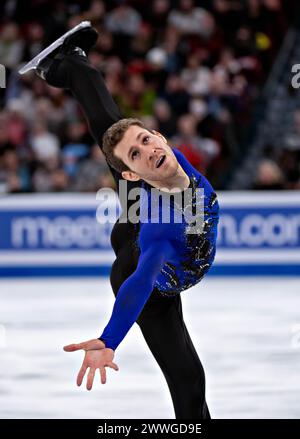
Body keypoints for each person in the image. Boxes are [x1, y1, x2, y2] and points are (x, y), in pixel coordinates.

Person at [19, 22, 219, 419]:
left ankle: (71, 67)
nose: (147, 151)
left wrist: (134, 149)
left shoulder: (168, 158)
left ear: (161, 136)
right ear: (132, 174)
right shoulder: (163, 229)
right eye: (137, 156)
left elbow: (132, 141)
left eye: (148, 141)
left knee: (115, 131)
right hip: (142, 269)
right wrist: (109, 339)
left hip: (137, 217)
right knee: (190, 384)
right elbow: (142, 281)